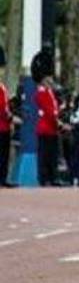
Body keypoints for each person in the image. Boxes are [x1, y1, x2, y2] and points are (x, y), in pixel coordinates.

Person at [32, 50, 62, 186]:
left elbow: (54, 110)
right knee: (45, 157)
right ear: (44, 78)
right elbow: (50, 112)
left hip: (52, 129)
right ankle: (45, 179)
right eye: (49, 77)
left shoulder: (49, 91)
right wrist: (59, 123)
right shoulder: (41, 92)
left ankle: (52, 177)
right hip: (46, 128)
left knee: (52, 156)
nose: (51, 79)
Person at [0, 46, 11, 187]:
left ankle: (3, 178)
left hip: (5, 126)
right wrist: (9, 117)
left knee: (4, 155)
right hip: (2, 124)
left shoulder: (2, 86)